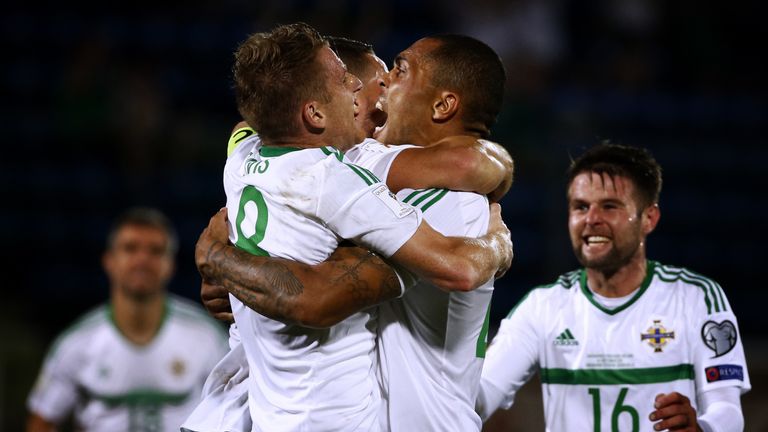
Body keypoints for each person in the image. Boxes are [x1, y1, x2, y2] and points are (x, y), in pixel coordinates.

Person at [186, 22, 513, 432]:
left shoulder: (446, 199)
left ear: (443, 106)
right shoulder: (343, 169)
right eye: (354, 84)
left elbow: (316, 297)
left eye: (399, 70)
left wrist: (223, 261)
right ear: (317, 109)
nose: (375, 92)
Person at [476, 143, 751, 432]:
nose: (591, 219)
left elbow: (728, 411)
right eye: (580, 207)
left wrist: (702, 428)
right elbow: (482, 398)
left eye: (610, 206)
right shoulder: (542, 307)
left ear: (649, 218)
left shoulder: (695, 298)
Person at [26, 207, 229, 432]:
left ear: (171, 265)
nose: (142, 260)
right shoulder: (76, 344)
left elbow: (233, 413)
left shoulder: (206, 337)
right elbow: (42, 421)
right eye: (130, 249)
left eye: (155, 251)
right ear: (109, 261)